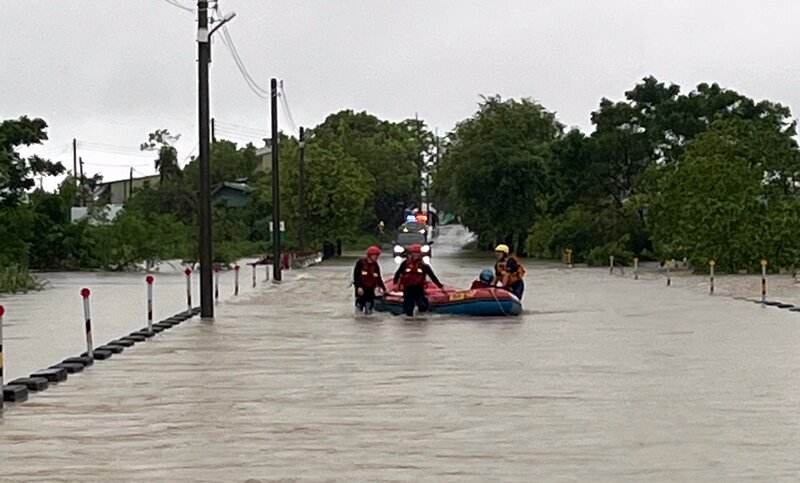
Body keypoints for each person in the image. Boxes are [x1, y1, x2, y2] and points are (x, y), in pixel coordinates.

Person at [393, 244, 444, 316]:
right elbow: (398, 273)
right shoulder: (405, 263)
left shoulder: (424, 265)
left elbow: (432, 276)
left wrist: (440, 286)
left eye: (417, 253)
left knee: (422, 305)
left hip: (419, 288)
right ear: (411, 254)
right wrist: (395, 284)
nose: (415, 255)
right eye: (414, 253)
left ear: (420, 254)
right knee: (408, 307)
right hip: (408, 288)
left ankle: (420, 319)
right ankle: (408, 318)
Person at [353, 246, 387, 314]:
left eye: (378, 255)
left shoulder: (376, 266)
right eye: (375, 255)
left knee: (369, 307)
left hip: (370, 289)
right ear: (370, 255)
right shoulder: (360, 263)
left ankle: (369, 319)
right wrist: (359, 287)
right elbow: (356, 276)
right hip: (361, 288)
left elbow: (378, 278)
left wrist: (384, 289)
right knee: (359, 307)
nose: (377, 257)